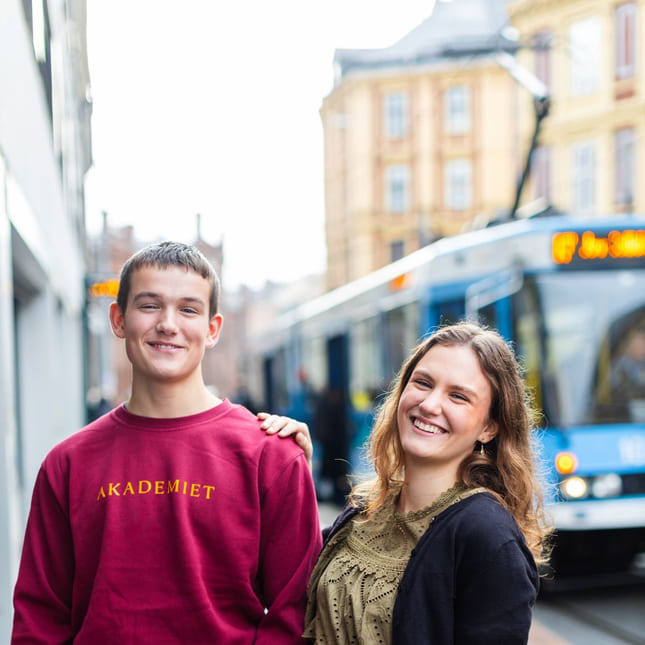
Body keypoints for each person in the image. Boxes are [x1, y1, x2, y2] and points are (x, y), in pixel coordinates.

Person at [11, 241, 321, 644]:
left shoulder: (272, 454)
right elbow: (39, 619)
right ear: (118, 319)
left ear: (212, 329)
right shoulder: (66, 464)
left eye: (188, 309)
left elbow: (295, 614)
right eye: (149, 305)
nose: (168, 324)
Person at [273, 321, 552, 644]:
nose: (430, 405)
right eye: (422, 383)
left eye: (458, 396)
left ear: (489, 428)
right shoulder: (365, 508)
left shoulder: (487, 535)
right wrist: (294, 477)